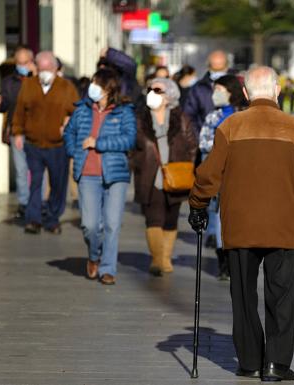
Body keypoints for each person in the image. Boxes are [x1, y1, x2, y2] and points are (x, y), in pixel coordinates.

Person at [188, 66, 294, 381]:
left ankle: (249, 361)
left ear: (246, 93)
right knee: (282, 296)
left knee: (244, 296)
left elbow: (210, 173)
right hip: (284, 225)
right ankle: (276, 364)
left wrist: (198, 204)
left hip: (240, 225)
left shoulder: (231, 126)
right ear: (277, 90)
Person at [63, 68, 136, 285]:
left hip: (116, 175)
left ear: (107, 88)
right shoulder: (82, 109)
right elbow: (69, 133)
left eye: (96, 83)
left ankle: (108, 268)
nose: (91, 88)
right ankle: (94, 255)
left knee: (113, 224)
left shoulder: (123, 111)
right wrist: (74, 151)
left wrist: (99, 143)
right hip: (87, 173)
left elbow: (129, 140)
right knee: (90, 225)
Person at [131, 78, 197, 276]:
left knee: (170, 219)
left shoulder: (181, 118)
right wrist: (136, 163)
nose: (152, 93)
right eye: (150, 90)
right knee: (153, 219)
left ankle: (166, 258)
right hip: (149, 176)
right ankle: (157, 260)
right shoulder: (140, 118)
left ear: (169, 96)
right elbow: (132, 146)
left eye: (157, 91)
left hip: (176, 175)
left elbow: (192, 145)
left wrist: (189, 166)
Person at [12, 51, 79, 234]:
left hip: (58, 146)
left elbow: (78, 112)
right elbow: (19, 111)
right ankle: (33, 219)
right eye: (41, 68)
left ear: (56, 68)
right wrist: (17, 133)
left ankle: (52, 218)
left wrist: (68, 123)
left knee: (58, 184)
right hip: (33, 144)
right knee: (35, 182)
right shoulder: (29, 86)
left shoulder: (66, 87)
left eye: (48, 68)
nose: (44, 72)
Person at [198, 74, 248, 280]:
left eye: (220, 90)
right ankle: (223, 260)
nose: (216, 94)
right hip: (219, 175)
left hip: (241, 175)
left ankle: (240, 257)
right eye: (214, 90)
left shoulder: (243, 115)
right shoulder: (212, 117)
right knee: (219, 217)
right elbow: (203, 144)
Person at [0, 46, 35, 219]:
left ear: (31, 62)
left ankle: (38, 203)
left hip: (37, 132)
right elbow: (5, 105)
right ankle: (24, 204)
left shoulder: (40, 80)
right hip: (16, 130)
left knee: (38, 169)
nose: (22, 65)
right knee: (21, 169)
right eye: (19, 62)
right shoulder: (9, 81)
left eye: (25, 62)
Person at [183, 50, 233, 134]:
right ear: (209, 67)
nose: (217, 73)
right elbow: (189, 116)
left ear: (227, 67)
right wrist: (200, 137)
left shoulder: (237, 85)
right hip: (205, 139)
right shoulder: (198, 88)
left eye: (220, 69)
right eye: (214, 68)